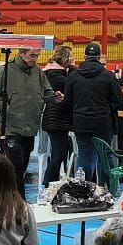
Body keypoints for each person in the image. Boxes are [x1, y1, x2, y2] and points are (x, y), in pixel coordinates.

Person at [0, 40, 47, 185]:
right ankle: (18, 202)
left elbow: (47, 91)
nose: (35, 59)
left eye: (37, 56)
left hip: (31, 128)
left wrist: (53, 97)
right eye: (32, 56)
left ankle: (18, 202)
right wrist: (5, 105)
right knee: (15, 171)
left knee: (21, 169)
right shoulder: (5, 71)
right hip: (11, 128)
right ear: (21, 53)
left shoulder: (38, 72)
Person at [64, 42, 123, 179]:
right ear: (99, 58)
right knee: (106, 154)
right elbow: (119, 100)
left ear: (84, 57)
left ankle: (86, 189)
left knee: (84, 154)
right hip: (102, 122)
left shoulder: (74, 76)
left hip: (80, 122)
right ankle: (110, 187)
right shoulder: (108, 76)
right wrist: (106, 108)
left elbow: (67, 101)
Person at [40, 45, 75, 184]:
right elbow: (71, 85)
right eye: (71, 57)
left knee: (60, 153)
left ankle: (52, 184)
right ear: (65, 58)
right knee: (58, 155)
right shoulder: (54, 74)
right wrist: (72, 68)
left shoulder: (57, 72)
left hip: (59, 119)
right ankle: (47, 185)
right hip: (55, 120)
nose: (74, 59)